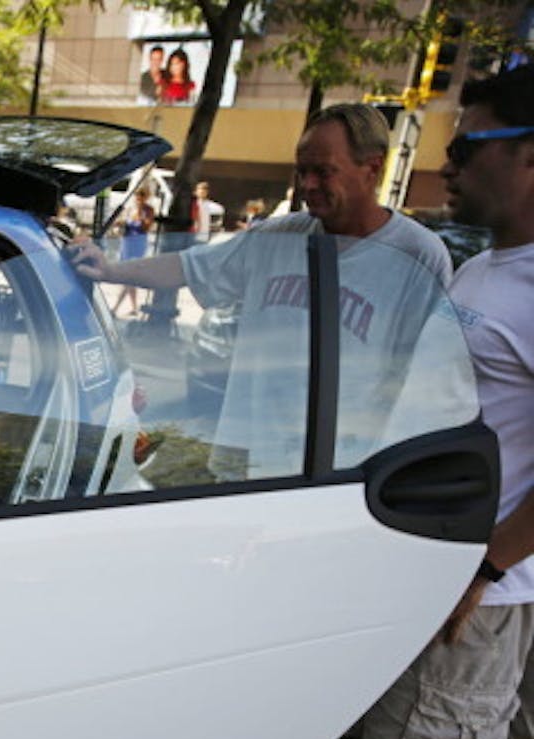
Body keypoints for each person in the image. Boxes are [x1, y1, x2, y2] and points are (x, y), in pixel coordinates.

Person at [193, 67, 534, 739]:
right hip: (422, 552)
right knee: (368, 707)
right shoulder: (492, 265)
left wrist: (487, 566)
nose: (449, 163)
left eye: (466, 145)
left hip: (474, 582)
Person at [73, 101, 451, 480]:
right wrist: (110, 269)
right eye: (302, 172)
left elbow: (423, 382)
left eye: (323, 172)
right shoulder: (277, 236)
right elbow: (188, 267)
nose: (308, 186)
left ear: (373, 168)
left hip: (336, 473)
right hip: (245, 460)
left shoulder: (417, 257)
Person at [113, 186, 156, 315]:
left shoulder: (148, 210)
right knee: (130, 277)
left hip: (138, 243)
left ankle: (115, 308)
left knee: (129, 276)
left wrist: (139, 218)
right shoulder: (130, 209)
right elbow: (122, 222)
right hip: (127, 243)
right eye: (137, 197)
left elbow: (147, 226)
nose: (139, 199)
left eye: (142, 196)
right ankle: (134, 307)